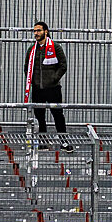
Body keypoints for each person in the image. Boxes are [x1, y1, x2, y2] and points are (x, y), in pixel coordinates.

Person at [24, 21, 71, 152]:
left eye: (38, 30)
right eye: (34, 31)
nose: (36, 33)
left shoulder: (55, 47)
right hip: (37, 89)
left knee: (58, 115)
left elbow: (63, 66)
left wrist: (53, 79)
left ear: (46, 31)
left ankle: (64, 142)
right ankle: (43, 142)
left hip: (53, 88)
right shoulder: (32, 49)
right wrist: (33, 81)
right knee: (40, 116)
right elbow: (27, 67)